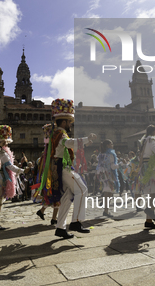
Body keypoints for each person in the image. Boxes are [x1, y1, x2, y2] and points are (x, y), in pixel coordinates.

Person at [37, 98, 96, 239]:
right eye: (70, 122)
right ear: (64, 122)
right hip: (62, 168)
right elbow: (69, 143)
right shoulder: (60, 134)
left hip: (58, 168)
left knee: (68, 196)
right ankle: (76, 222)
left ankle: (60, 228)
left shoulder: (55, 133)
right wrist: (87, 139)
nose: (71, 124)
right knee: (82, 189)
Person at [0, 125, 26, 230]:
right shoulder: (1, 152)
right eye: (5, 141)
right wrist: (22, 170)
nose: (7, 143)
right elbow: (10, 166)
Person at [35, 124, 59, 225]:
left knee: (50, 196)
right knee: (56, 196)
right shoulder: (52, 150)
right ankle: (53, 218)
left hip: (48, 177)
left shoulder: (46, 151)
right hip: (53, 176)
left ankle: (42, 211)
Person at [96, 139, 119, 217]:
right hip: (109, 175)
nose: (112, 145)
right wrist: (120, 165)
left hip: (103, 175)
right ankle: (106, 211)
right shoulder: (111, 154)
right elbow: (113, 166)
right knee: (108, 193)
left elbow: (98, 165)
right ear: (108, 145)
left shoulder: (101, 154)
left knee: (108, 193)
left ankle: (106, 210)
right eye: (111, 144)